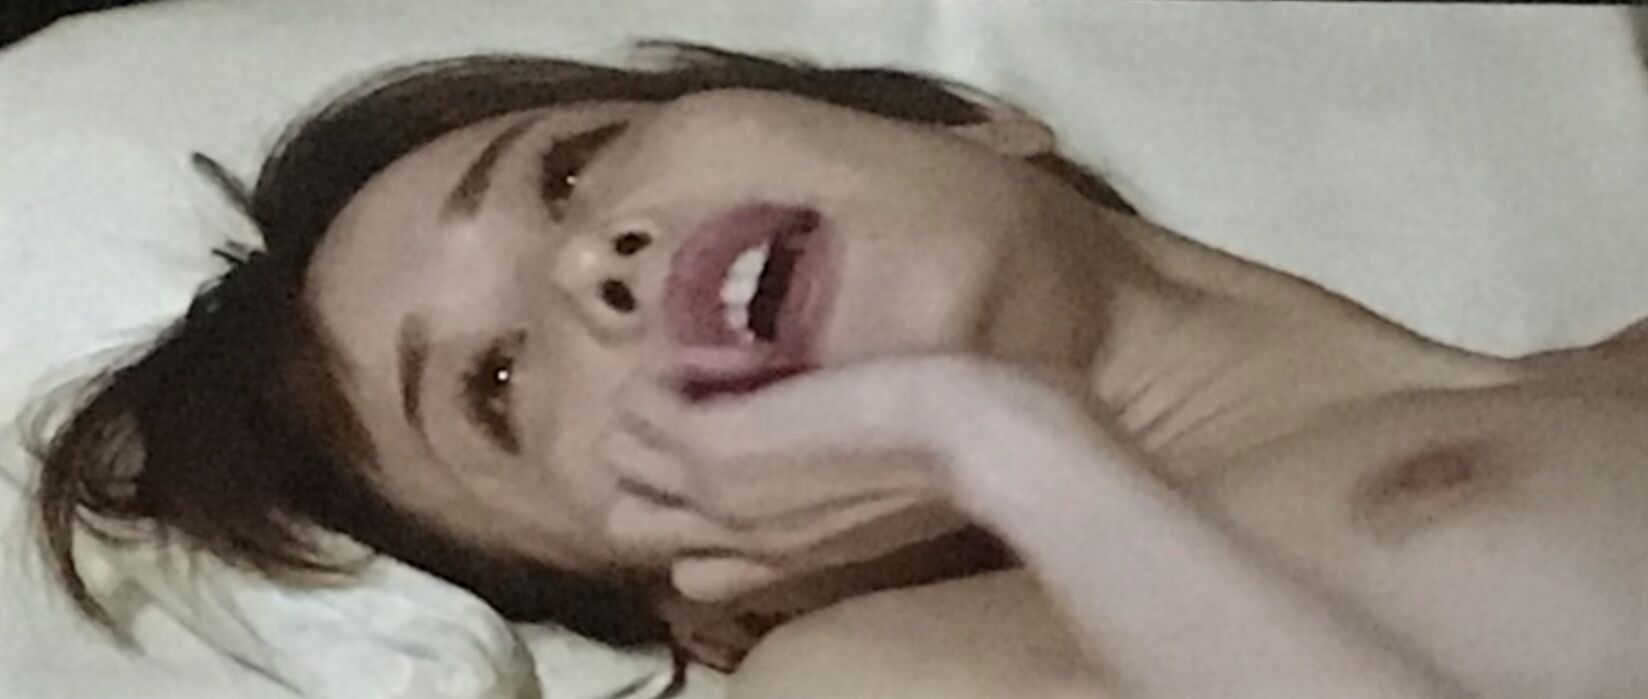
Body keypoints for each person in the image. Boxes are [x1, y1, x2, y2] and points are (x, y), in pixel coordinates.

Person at [28, 42, 1648, 698]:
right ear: (704, 608)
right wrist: (1004, 450)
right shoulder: (871, 677)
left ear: (965, 119)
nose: (592, 266)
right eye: (498, 390)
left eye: (572, 171)